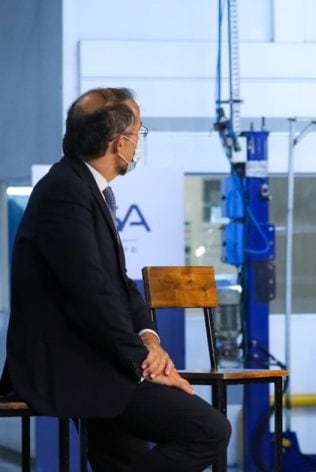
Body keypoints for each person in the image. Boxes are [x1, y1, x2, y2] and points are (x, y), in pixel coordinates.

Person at [1, 88, 231, 471]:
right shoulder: (65, 192)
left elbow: (118, 283)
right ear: (120, 143)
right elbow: (91, 292)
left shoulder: (84, 187)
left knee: (125, 460)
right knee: (208, 429)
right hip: (73, 366)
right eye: (139, 133)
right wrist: (145, 362)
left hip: (101, 358)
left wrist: (148, 338)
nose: (139, 143)